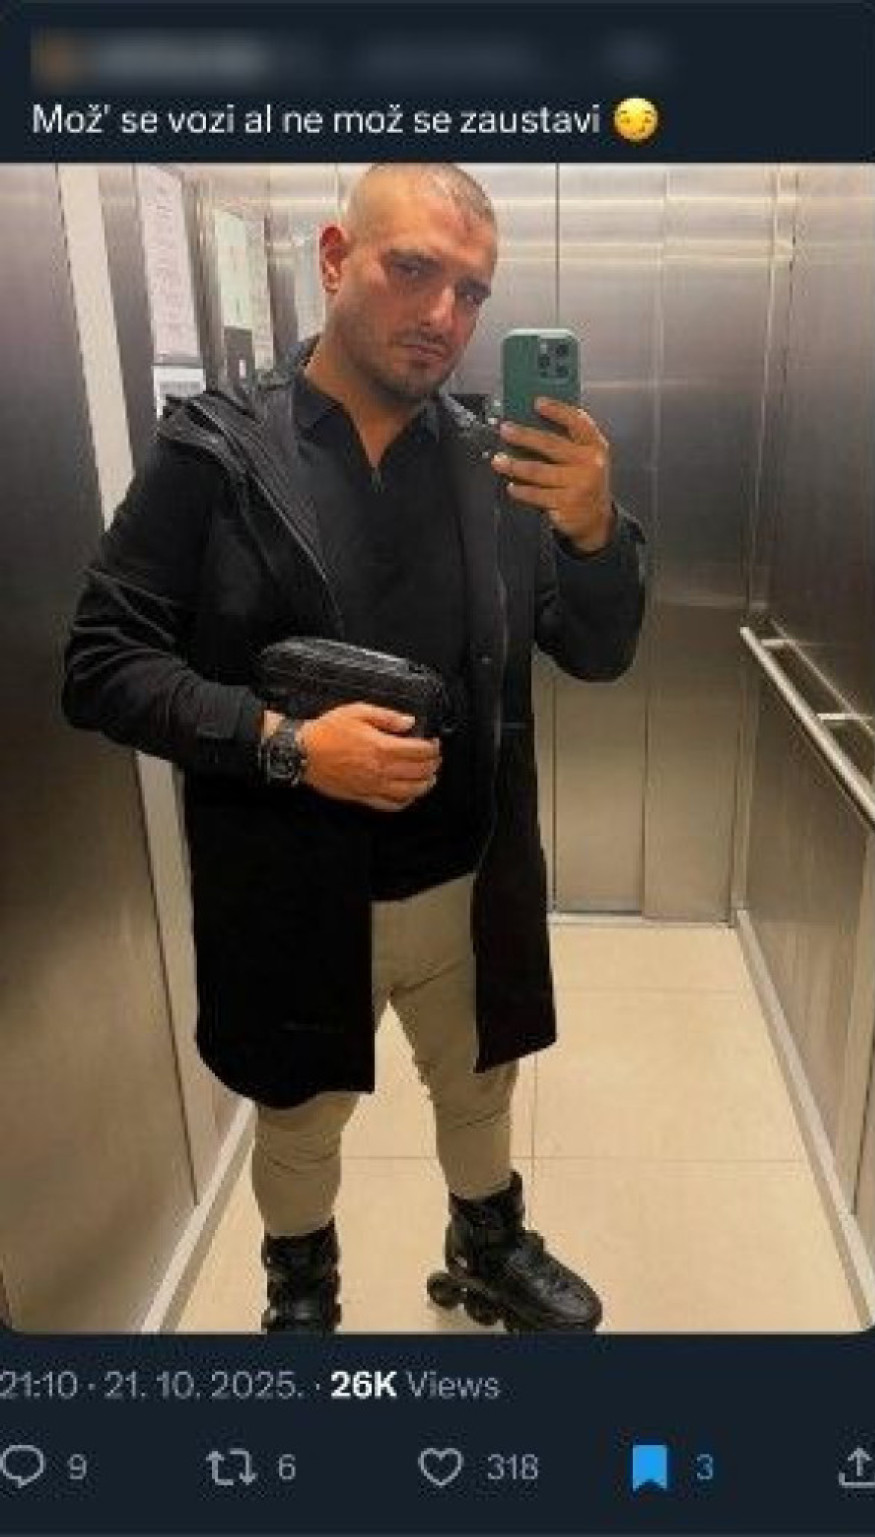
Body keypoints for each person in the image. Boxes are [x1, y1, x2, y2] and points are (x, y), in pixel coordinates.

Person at [62, 162, 647, 1335]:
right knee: (299, 1116)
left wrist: (594, 534)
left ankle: (488, 1242)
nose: (443, 313)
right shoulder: (216, 454)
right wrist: (285, 743)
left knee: (479, 1082)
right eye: (412, 269)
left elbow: (596, 650)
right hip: (292, 888)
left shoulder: (496, 464)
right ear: (336, 259)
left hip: (468, 880)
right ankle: (302, 1288)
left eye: (471, 290)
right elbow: (103, 664)